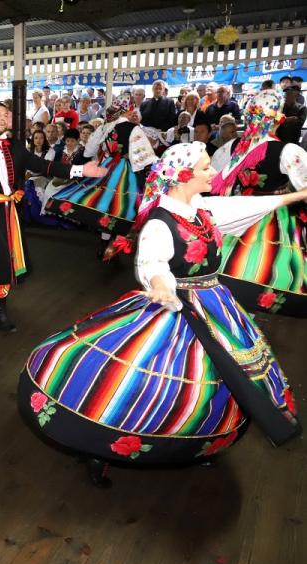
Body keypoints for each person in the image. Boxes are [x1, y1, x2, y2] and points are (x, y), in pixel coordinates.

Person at [17, 142, 304, 487]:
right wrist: (161, 285)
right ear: (183, 177)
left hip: (213, 302)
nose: (214, 172)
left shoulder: (202, 209)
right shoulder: (160, 221)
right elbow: (151, 261)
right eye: (205, 168)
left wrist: (295, 196)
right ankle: (100, 449)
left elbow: (247, 205)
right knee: (141, 379)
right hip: (177, 305)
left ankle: (197, 441)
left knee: (216, 377)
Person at [0, 103, 104, 332]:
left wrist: (80, 170)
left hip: (8, 211)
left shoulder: (15, 146)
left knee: (2, 260)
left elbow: (43, 165)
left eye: (5, 114)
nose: (2, 118)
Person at [209, 90, 307, 317]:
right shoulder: (287, 150)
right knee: (268, 264)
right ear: (279, 119)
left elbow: (213, 174)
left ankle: (237, 310)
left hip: (239, 211)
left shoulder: (234, 146)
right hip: (274, 213)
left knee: (236, 261)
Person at [47, 95, 158, 255]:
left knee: (106, 204)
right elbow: (143, 157)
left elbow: (88, 151)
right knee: (124, 206)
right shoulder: (133, 129)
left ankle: (104, 243)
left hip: (107, 166)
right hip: (126, 170)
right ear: (129, 109)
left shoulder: (104, 127)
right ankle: (115, 246)